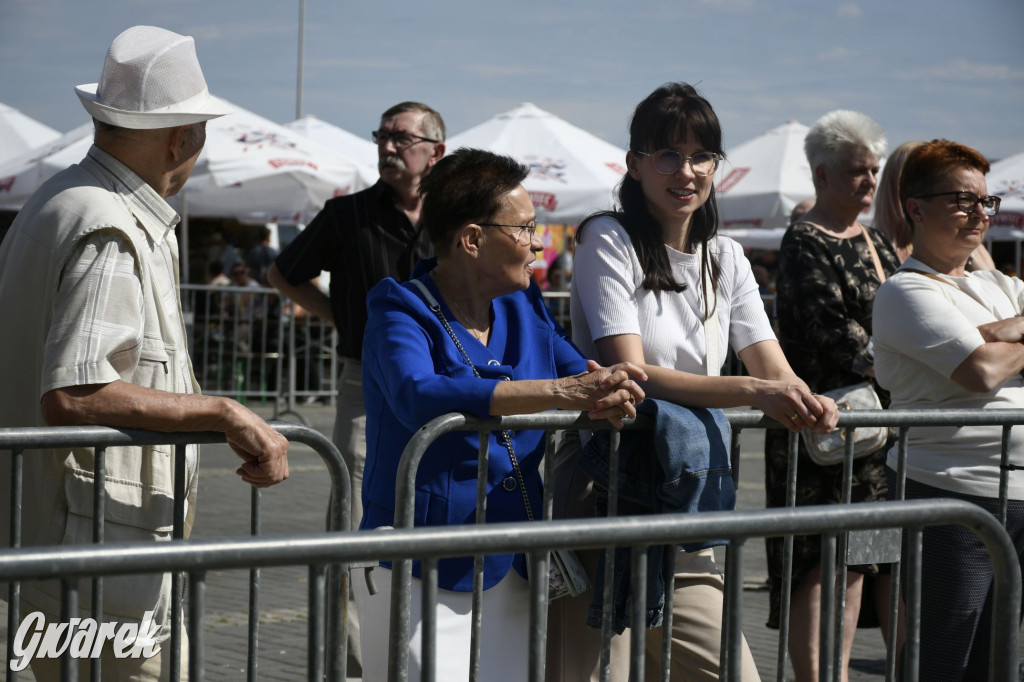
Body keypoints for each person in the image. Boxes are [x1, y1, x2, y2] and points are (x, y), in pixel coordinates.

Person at [0, 26, 289, 680]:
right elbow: (75, 393)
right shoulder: (107, 222)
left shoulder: (67, 199)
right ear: (181, 137)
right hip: (94, 557)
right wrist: (223, 411)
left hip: (70, 546)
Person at [551, 82, 838, 682]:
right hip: (607, 488)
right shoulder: (607, 236)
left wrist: (807, 400)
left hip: (685, 487)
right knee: (601, 672)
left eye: (701, 155)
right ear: (634, 164)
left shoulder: (726, 256)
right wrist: (754, 393)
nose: (686, 170)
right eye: (667, 154)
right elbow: (630, 372)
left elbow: (770, 362)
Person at [352, 148, 647, 680]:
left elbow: (575, 369)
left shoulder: (522, 302)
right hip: (420, 564)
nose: (539, 243)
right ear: (472, 239)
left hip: (511, 560)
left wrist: (609, 389)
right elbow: (417, 393)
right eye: (527, 228)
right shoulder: (398, 305)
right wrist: (560, 391)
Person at [267, 100, 445, 675]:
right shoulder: (346, 214)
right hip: (363, 384)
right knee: (353, 517)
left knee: (432, 513)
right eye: (382, 137)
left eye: (402, 139)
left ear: (435, 153)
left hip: (441, 387)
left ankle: (419, 653)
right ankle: (348, 664)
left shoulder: (453, 216)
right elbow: (281, 273)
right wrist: (337, 316)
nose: (388, 147)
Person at [873, 139, 1023, 681]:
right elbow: (980, 372)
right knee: (946, 656)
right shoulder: (904, 291)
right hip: (949, 489)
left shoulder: (999, 283)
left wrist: (1001, 336)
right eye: (963, 200)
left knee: (999, 657)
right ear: (916, 208)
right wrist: (1002, 341)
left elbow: (983, 360)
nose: (980, 213)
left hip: (1013, 489)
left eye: (987, 202)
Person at [765, 109, 901, 682]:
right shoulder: (803, 240)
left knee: (869, 562)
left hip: (871, 430)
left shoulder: (877, 241)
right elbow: (832, 333)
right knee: (822, 567)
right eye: (855, 171)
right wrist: (913, 361)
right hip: (819, 426)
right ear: (821, 174)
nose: (868, 181)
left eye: (873, 170)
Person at [875, 140, 996, 270]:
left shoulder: (967, 241)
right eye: (965, 199)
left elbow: (991, 281)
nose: (981, 213)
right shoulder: (873, 250)